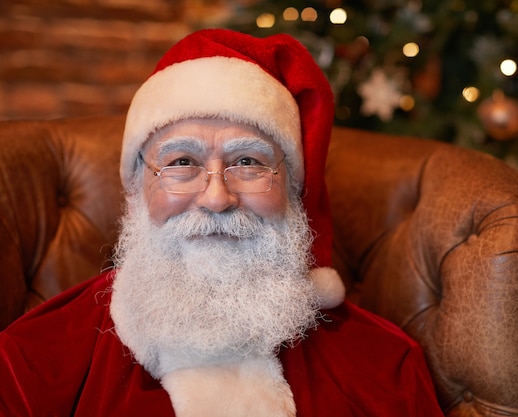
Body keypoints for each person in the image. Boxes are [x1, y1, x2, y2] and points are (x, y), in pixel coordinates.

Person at [0, 29, 444, 417]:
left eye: (248, 162)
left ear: (293, 191)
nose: (216, 198)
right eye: (182, 162)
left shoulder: (385, 367)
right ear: (137, 188)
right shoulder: (30, 363)